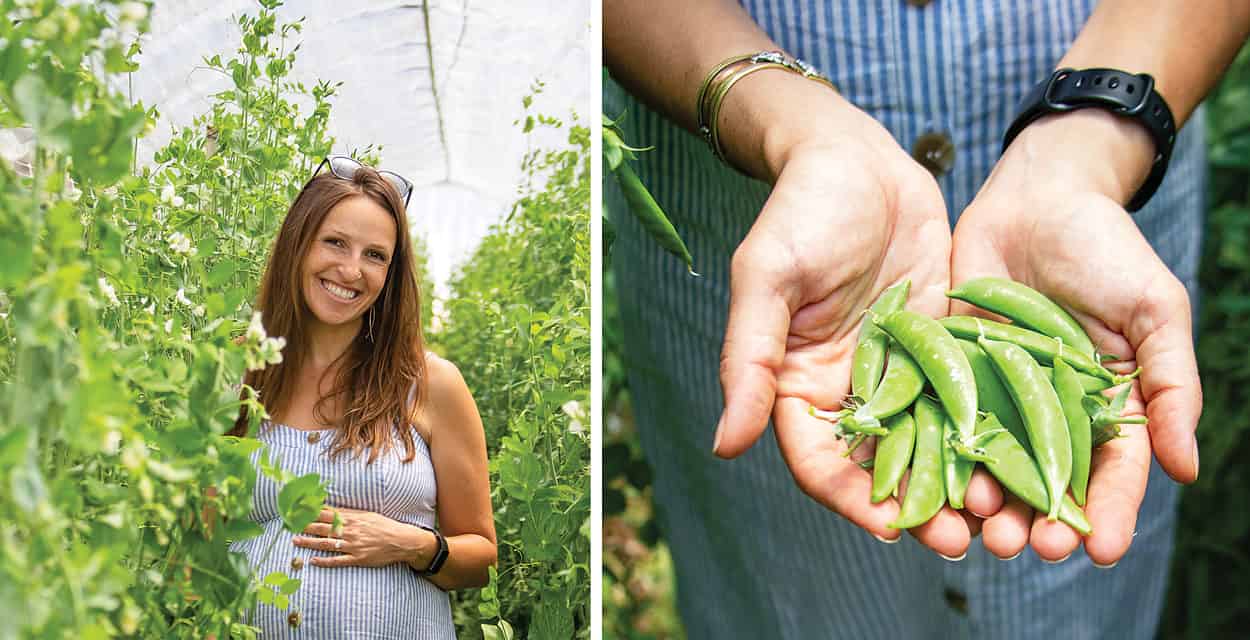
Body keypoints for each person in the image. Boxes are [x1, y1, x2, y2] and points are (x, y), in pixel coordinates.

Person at [605, 1, 1250, 637]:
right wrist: (784, 119)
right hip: (759, 230)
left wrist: (1091, 143)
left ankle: (1050, 486)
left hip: (1115, 158)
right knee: (789, 600)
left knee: (1075, 605)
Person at [226, 156, 496, 638]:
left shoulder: (431, 385)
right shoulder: (240, 372)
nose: (351, 270)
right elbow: (199, 542)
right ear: (298, 245)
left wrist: (410, 543)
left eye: (376, 255)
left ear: (391, 275)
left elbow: (481, 558)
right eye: (335, 242)